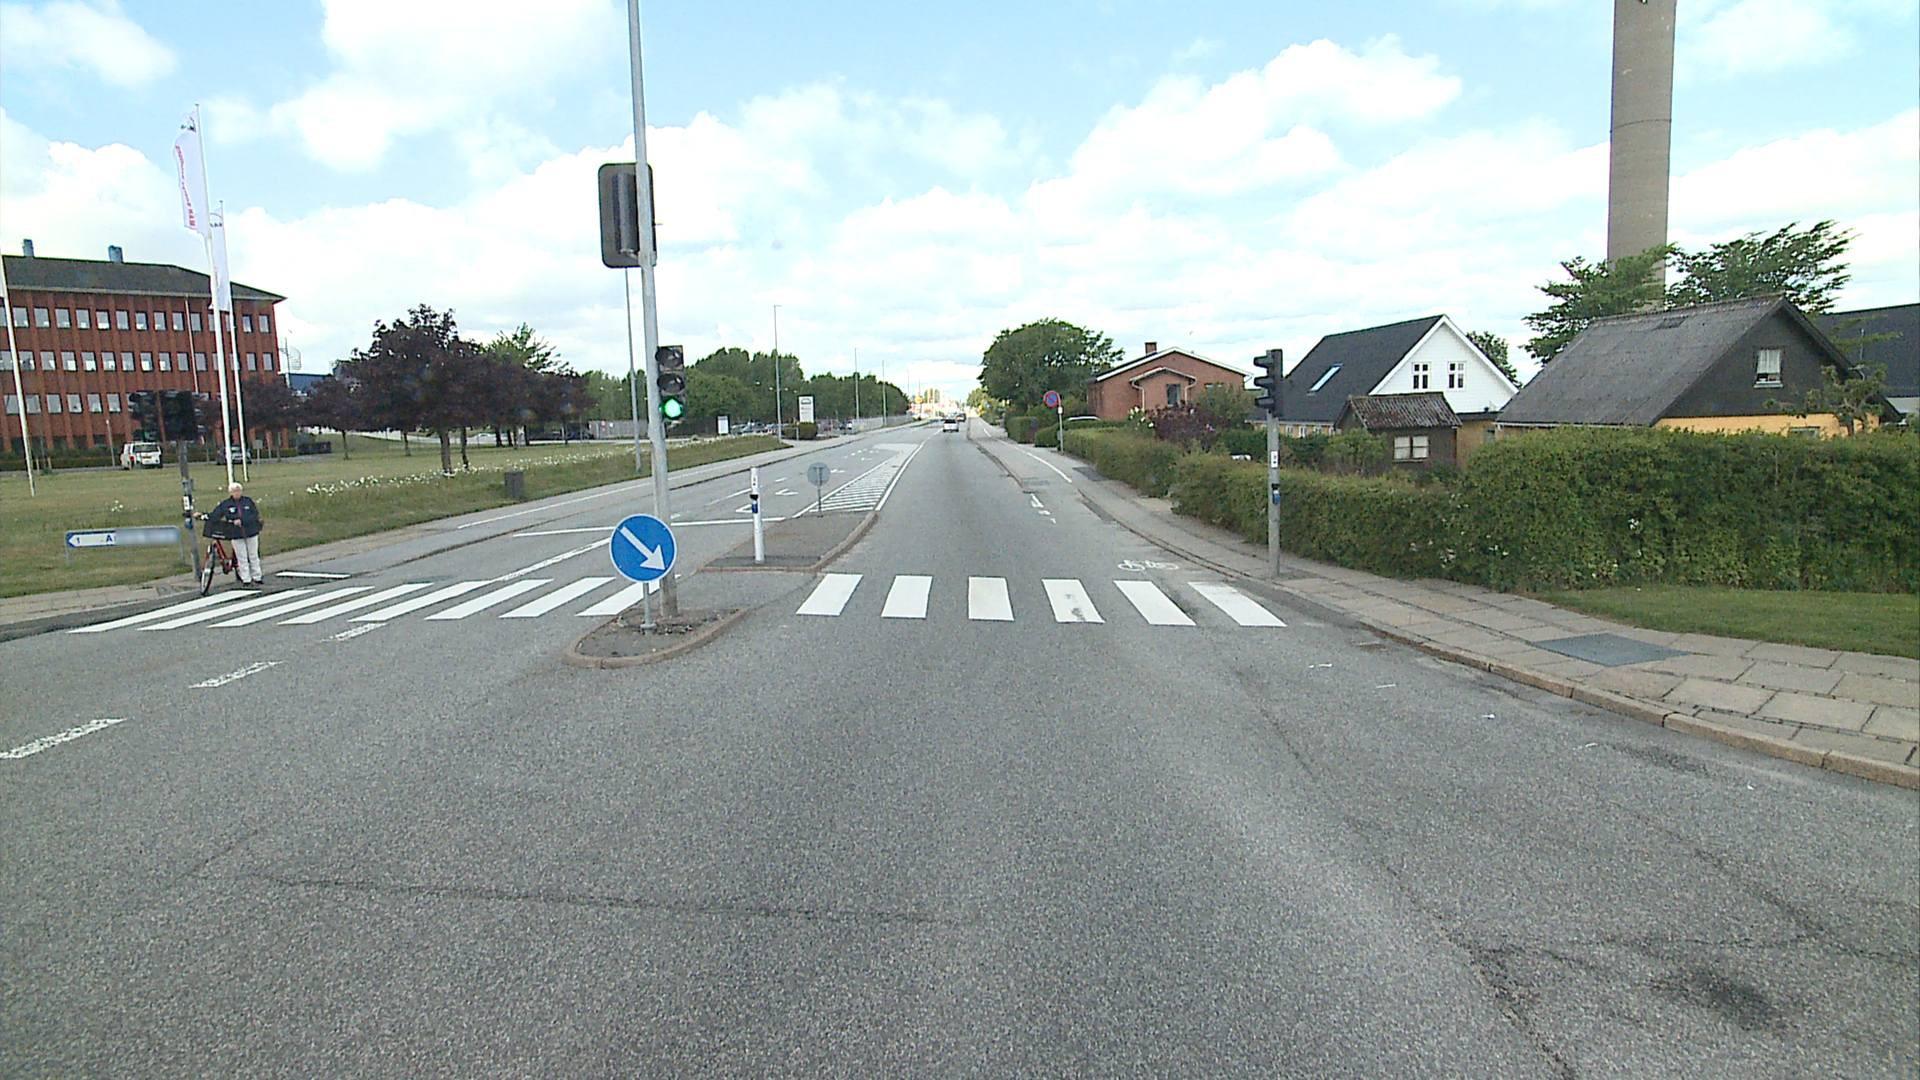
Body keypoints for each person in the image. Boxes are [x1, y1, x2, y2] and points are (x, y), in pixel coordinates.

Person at [202, 481, 266, 587]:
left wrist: (242, 520)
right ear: (230, 492)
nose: (237, 493)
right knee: (242, 557)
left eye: (238, 490)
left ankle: (257, 576)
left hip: (251, 531)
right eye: (234, 491)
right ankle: (246, 579)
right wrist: (204, 516)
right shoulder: (226, 504)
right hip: (236, 533)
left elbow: (254, 515)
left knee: (253, 555)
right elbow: (216, 515)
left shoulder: (248, 501)